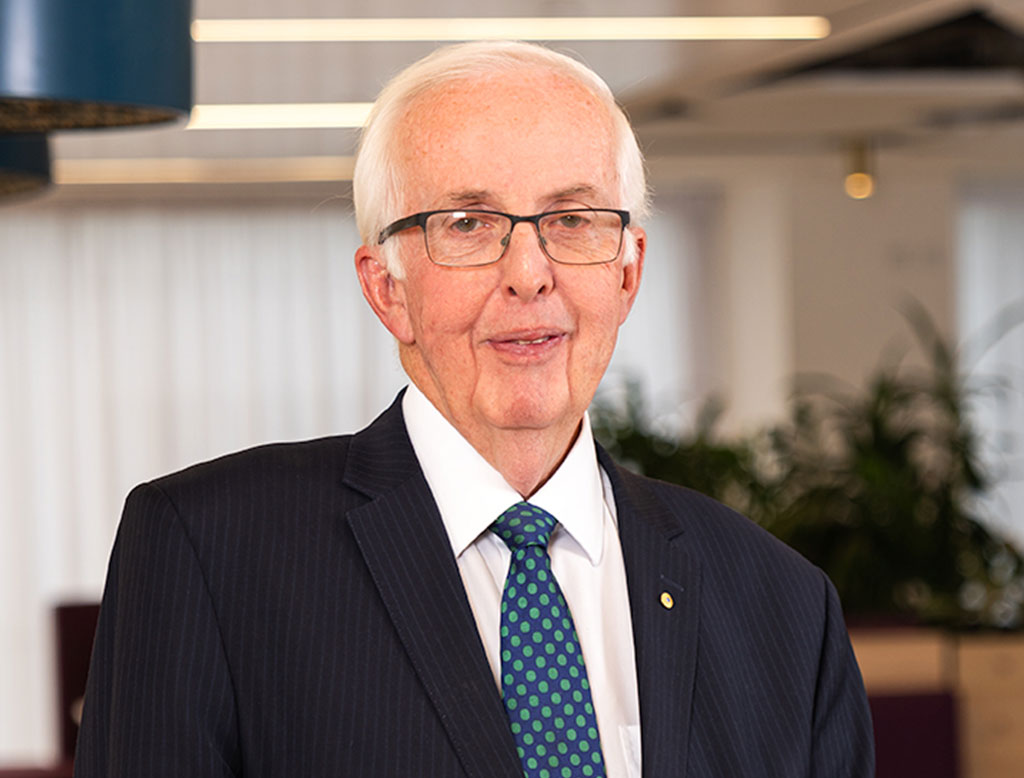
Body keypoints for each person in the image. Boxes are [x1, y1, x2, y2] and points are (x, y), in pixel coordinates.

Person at [75, 41, 874, 778]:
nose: (529, 273)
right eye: (468, 224)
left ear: (628, 274)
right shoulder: (209, 553)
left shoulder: (783, 607)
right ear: (386, 288)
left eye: (571, 219)